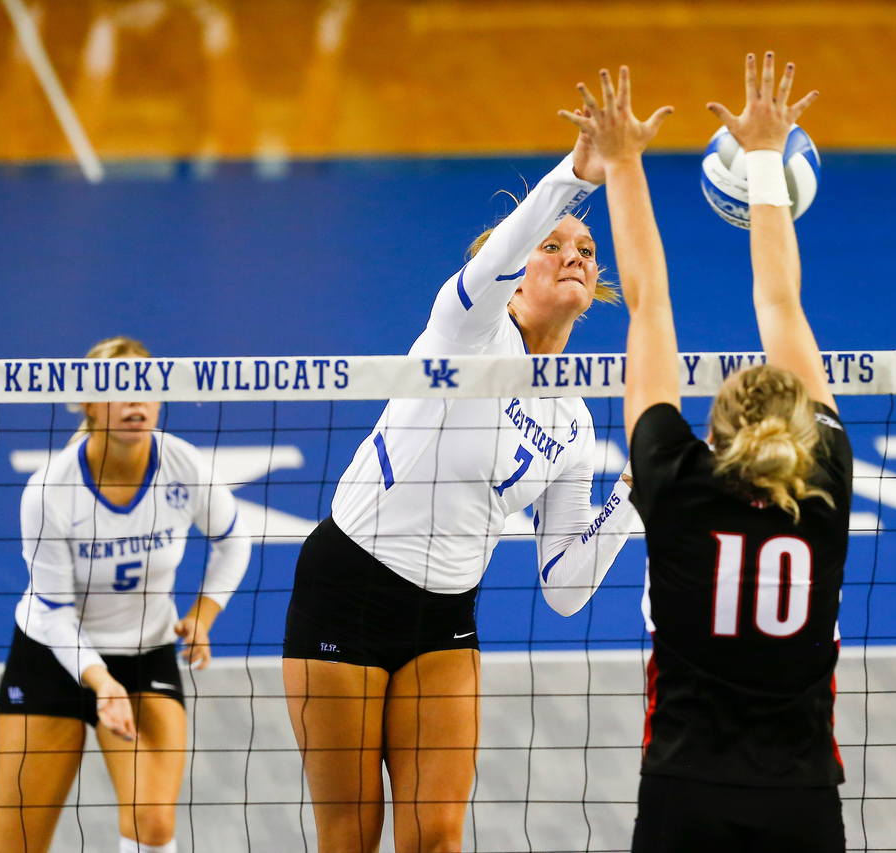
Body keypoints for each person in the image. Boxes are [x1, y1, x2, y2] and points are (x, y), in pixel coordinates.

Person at [282, 82, 670, 853]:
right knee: (350, 835)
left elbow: (563, 585)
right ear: (515, 278)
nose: (572, 255)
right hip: (349, 587)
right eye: (551, 246)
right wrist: (579, 174)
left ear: (594, 290)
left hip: (445, 616)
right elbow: (493, 261)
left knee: (437, 839)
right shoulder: (467, 333)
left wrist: (632, 494)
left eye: (585, 251)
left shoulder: (574, 417)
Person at [574, 56, 848, 851]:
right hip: (800, 798)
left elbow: (647, 302)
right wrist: (768, 155)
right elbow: (780, 301)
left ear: (713, 432)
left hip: (684, 792)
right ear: (801, 427)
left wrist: (624, 164)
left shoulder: (675, 483)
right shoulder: (824, 482)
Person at [0, 336, 251, 853]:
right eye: (117, 388)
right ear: (87, 402)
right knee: (17, 846)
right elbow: (54, 611)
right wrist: (99, 681)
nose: (134, 401)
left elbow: (232, 539)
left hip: (144, 657)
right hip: (50, 659)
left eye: (145, 388)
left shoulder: (183, 465)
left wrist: (203, 614)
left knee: (153, 825)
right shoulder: (50, 491)